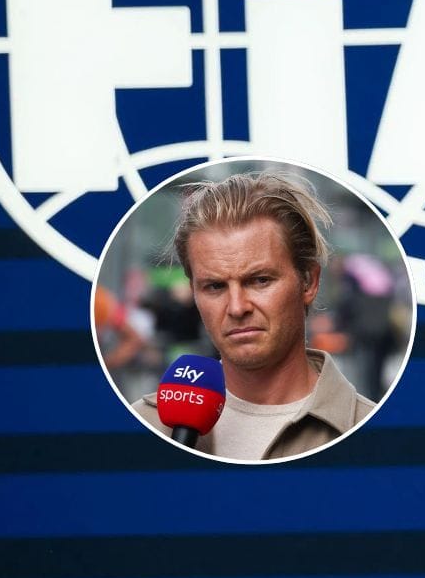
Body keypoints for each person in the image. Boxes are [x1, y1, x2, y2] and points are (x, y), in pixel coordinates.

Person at [132, 170, 375, 461]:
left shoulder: (370, 430)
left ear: (308, 282)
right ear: (193, 292)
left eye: (260, 280)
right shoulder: (143, 425)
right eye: (214, 286)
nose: (236, 307)